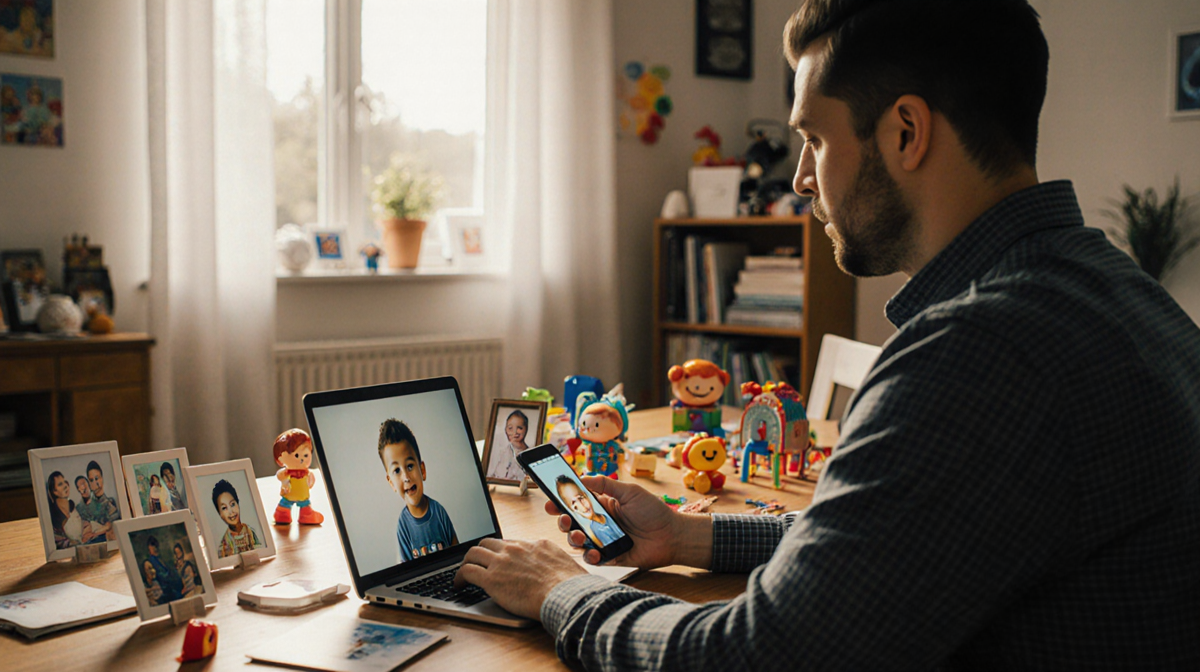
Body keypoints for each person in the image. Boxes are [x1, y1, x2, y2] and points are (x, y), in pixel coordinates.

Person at [454, 1, 1200, 669]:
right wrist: (689, 537)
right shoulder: (1123, 293)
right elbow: (898, 547)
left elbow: (757, 656)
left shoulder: (980, 352)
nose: (802, 178)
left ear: (906, 131)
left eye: (814, 137)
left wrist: (562, 591)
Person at [377, 418, 458, 562]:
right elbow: (405, 570)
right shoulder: (403, 526)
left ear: (422, 470)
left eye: (409, 466)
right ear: (391, 483)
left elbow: (457, 553)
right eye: (397, 470)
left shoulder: (438, 511)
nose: (406, 477)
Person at [272, 428, 324, 525]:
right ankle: (282, 515)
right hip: (289, 493)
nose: (301, 460)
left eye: (305, 455)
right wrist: (283, 480)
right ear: (281, 457)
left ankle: (306, 515)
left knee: (305, 505)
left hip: (303, 495)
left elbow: (311, 479)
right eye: (296, 455)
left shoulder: (307, 472)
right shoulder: (286, 472)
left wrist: (310, 482)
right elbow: (280, 476)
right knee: (285, 504)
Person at [554, 475, 622, 548]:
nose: (583, 507)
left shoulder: (607, 515)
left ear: (586, 495)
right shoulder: (595, 530)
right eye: (575, 506)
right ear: (571, 510)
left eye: (581, 498)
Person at [211, 478, 263, 558]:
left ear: (238, 504)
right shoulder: (223, 545)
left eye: (232, 504)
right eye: (224, 508)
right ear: (220, 514)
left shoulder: (252, 533)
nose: (231, 512)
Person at [486, 409, 532, 482]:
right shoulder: (503, 453)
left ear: (526, 429)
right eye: (510, 428)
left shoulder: (530, 454)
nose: (514, 432)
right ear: (505, 429)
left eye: (519, 428)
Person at [46, 471, 84, 549]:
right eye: (60, 484)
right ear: (54, 491)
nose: (65, 486)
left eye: (64, 482)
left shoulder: (71, 504)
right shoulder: (54, 513)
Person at [85, 460, 121, 540]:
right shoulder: (87, 506)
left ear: (102, 479)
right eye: (91, 480)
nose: (95, 483)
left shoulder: (110, 502)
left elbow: (113, 525)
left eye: (97, 478)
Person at [145, 536, 183, 604]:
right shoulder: (151, 561)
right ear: (149, 549)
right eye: (152, 547)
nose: (155, 548)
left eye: (156, 546)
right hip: (164, 591)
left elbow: (167, 571)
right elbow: (161, 576)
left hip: (170, 588)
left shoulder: (160, 559)